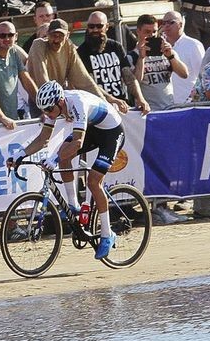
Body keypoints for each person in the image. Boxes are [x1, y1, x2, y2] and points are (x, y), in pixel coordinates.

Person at [8, 81, 126, 260]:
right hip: (94, 129)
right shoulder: (53, 106)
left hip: (112, 132)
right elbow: (42, 140)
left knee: (94, 182)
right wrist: (19, 155)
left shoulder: (77, 103)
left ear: (60, 102)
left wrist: (54, 159)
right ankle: (74, 206)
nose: (47, 114)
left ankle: (107, 234)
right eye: (44, 110)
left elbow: (78, 142)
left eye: (49, 110)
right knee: (64, 156)